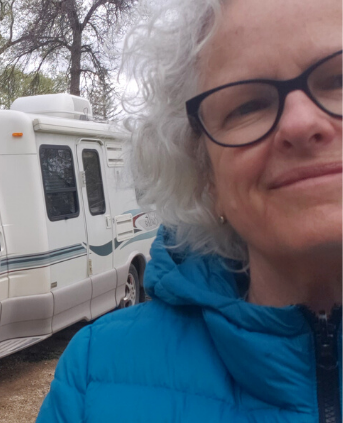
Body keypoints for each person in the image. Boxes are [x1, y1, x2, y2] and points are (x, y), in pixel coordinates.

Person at [36, 0, 342, 421]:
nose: (301, 123)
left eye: (339, 78)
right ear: (205, 175)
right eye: (247, 106)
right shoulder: (94, 378)